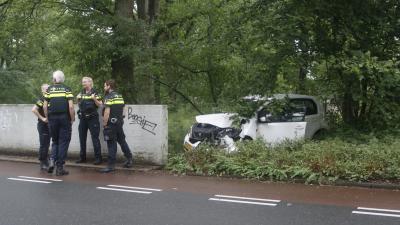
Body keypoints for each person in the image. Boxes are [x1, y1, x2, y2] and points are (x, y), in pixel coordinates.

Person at [43, 70, 75, 176]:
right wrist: (72, 118)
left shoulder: (49, 90)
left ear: (54, 79)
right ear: (62, 79)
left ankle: (52, 161)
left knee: (55, 141)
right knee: (63, 142)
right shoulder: (67, 89)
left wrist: (47, 117)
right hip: (64, 118)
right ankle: (60, 168)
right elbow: (71, 106)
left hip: (52, 118)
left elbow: (44, 106)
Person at [100, 79, 133, 173]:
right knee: (122, 141)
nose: (104, 87)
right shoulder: (119, 96)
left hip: (111, 124)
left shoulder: (109, 97)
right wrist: (121, 118)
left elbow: (107, 111)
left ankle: (110, 166)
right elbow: (124, 108)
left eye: (105, 86)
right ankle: (129, 159)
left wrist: (105, 124)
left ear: (109, 86)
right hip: (119, 123)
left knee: (111, 144)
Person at [76, 77, 103, 165]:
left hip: (93, 118)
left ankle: (98, 158)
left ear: (90, 83)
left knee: (95, 138)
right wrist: (77, 99)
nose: (83, 84)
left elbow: (100, 104)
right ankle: (82, 157)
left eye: (85, 82)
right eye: (82, 82)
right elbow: (79, 104)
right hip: (83, 118)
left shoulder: (95, 92)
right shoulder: (81, 92)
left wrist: (94, 98)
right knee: (82, 138)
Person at [31, 84, 51, 170]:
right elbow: (33, 109)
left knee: (47, 144)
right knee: (44, 144)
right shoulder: (41, 100)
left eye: (49, 89)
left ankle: (46, 159)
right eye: (46, 89)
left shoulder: (50, 99)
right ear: (42, 90)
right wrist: (42, 118)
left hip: (50, 124)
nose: (47, 90)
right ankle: (43, 162)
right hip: (43, 125)